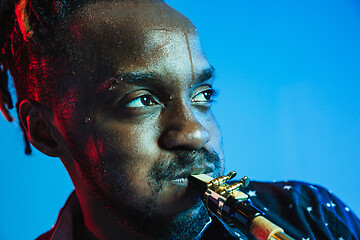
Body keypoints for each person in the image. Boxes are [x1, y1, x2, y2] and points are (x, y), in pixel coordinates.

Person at [0, 0, 359, 239]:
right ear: (46, 132)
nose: (196, 132)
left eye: (202, 95)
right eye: (142, 99)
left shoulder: (307, 214)